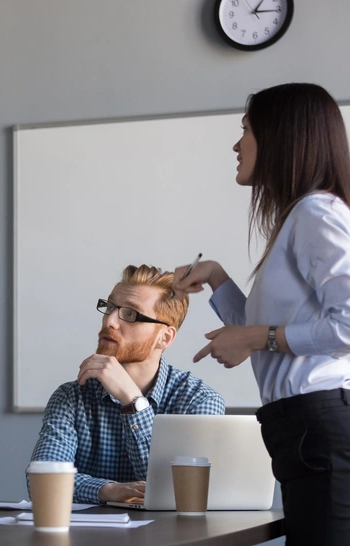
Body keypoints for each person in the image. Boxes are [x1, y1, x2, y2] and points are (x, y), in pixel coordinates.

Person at [172, 83, 350, 545]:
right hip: (301, 428)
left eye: (246, 130)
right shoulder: (298, 218)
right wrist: (215, 277)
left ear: (281, 136)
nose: (237, 144)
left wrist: (257, 339)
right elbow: (259, 330)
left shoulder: (316, 213)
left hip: (319, 423)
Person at [28, 265, 224, 505]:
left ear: (165, 337)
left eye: (130, 314)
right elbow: (43, 482)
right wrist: (108, 490)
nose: (110, 321)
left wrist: (132, 401)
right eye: (110, 307)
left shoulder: (199, 401)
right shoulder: (71, 397)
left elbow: (182, 494)